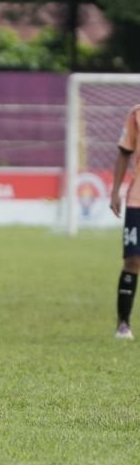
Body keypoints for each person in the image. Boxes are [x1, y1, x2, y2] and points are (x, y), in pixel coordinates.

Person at [109, 105, 140, 339]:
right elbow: (124, 152)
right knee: (132, 259)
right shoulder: (136, 114)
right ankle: (123, 323)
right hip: (137, 199)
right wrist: (115, 191)